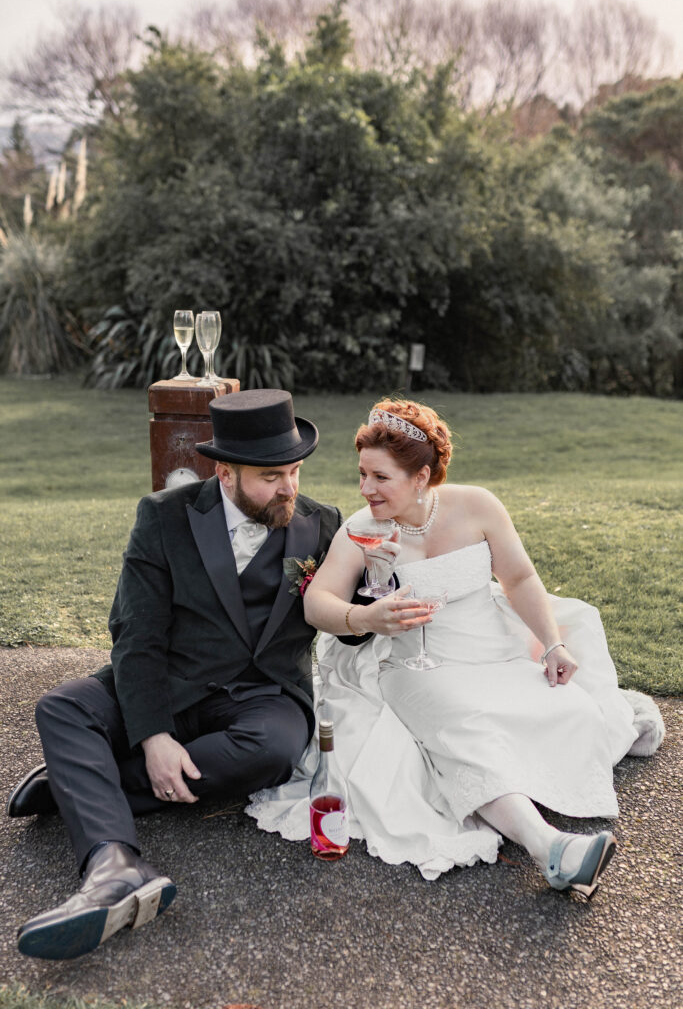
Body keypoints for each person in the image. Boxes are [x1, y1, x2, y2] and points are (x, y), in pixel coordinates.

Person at [247, 398, 665, 895]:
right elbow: (317, 602)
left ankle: (598, 738)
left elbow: (520, 578)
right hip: (411, 665)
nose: (365, 489)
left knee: (571, 711)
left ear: (422, 476)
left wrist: (552, 644)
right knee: (463, 727)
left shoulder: (479, 506)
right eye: (362, 474)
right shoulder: (363, 529)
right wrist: (366, 618)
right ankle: (551, 848)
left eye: (381, 478)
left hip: (491, 649)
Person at [7, 389, 347, 960]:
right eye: (270, 477)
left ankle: (82, 783)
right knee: (62, 707)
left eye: (293, 471)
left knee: (275, 748)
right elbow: (136, 634)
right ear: (225, 472)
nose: (289, 488)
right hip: (169, 681)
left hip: (262, 700)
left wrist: (373, 612)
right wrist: (154, 735)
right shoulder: (164, 517)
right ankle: (114, 866)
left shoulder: (323, 525)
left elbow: (347, 615)